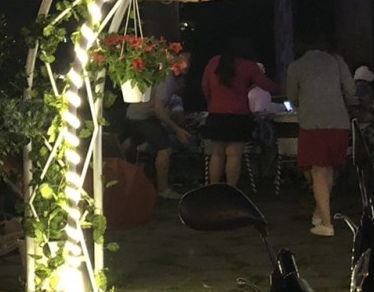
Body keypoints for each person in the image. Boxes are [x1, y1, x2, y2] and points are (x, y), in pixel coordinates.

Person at [285, 33, 354, 237]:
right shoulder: (338, 62)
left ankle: (326, 222)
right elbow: (350, 90)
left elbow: (291, 96)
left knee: (318, 171)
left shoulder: (296, 66)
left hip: (312, 123)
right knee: (328, 169)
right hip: (339, 121)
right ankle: (319, 212)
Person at [201, 38, 278, 187]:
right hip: (238, 116)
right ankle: (231, 190)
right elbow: (268, 86)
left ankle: (213, 189)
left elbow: (205, 86)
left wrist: (212, 103)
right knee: (234, 155)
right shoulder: (248, 65)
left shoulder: (214, 62)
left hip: (216, 114)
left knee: (217, 154)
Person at [125, 50, 193, 200]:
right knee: (165, 149)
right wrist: (177, 129)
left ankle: (125, 176)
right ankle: (163, 189)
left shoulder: (163, 75)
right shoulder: (167, 79)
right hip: (143, 116)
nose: (187, 65)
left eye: (189, 61)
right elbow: (158, 109)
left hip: (133, 114)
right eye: (184, 61)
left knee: (133, 142)